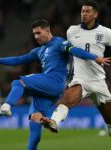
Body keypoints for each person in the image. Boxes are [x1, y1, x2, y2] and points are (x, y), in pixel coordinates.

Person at [0, 19, 110, 150]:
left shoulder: (59, 43)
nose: (36, 37)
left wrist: (95, 57)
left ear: (47, 31)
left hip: (55, 82)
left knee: (19, 82)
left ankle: (7, 106)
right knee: (35, 123)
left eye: (38, 33)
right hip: (46, 90)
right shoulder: (38, 51)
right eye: (34, 34)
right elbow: (19, 59)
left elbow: (75, 50)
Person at [39, 1, 111, 137]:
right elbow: (70, 50)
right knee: (67, 100)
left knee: (110, 120)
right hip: (81, 79)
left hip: (99, 81)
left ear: (95, 14)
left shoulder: (106, 33)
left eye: (87, 11)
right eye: (82, 11)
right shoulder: (72, 31)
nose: (83, 14)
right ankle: (53, 121)